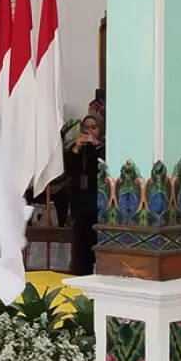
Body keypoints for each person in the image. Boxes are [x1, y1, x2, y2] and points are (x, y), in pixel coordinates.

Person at [65, 112, 105, 275]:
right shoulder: (78, 148)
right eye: (85, 127)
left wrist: (96, 143)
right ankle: (79, 271)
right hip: (79, 203)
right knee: (79, 243)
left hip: (96, 203)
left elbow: (106, 165)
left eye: (93, 128)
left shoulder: (103, 148)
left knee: (93, 241)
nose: (89, 131)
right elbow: (68, 168)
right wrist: (76, 147)